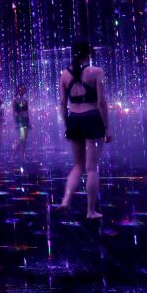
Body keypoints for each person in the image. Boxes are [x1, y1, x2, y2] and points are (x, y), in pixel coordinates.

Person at [57, 40, 111, 219]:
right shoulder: (96, 72)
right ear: (89, 54)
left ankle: (65, 200)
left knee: (78, 165)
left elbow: (63, 104)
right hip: (92, 117)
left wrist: (67, 125)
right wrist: (107, 127)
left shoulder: (64, 75)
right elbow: (101, 102)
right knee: (92, 167)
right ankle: (90, 211)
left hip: (74, 119)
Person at [12, 85, 30, 160]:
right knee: (22, 138)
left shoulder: (25, 100)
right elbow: (15, 112)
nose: (23, 91)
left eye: (24, 89)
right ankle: (14, 154)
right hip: (20, 120)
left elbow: (26, 112)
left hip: (25, 120)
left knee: (25, 139)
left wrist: (29, 122)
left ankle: (23, 155)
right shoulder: (15, 100)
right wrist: (16, 121)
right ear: (19, 90)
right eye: (22, 89)